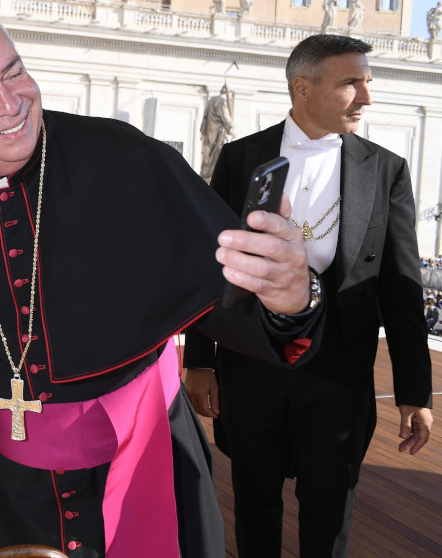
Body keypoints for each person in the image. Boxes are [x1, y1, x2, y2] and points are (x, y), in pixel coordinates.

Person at [0, 1, 325, 557]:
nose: (10, 104)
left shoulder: (126, 160)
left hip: (149, 450)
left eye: (13, 73)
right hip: (6, 486)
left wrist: (293, 299)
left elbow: (232, 303)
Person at [184, 34, 433, 557]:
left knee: (330, 512)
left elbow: (401, 286)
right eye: (351, 83)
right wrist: (200, 360)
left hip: (340, 371)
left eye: (368, 82)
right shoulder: (240, 156)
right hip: (252, 363)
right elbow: (213, 261)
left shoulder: (387, 169)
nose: (367, 97)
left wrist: (414, 393)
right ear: (302, 87)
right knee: (254, 505)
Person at [200, 85, 232, 182]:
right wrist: (231, 127)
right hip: (217, 131)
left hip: (209, 130)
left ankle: (207, 173)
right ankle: (212, 174)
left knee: (209, 153)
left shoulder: (211, 100)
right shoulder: (222, 101)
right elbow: (225, 117)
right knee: (217, 153)